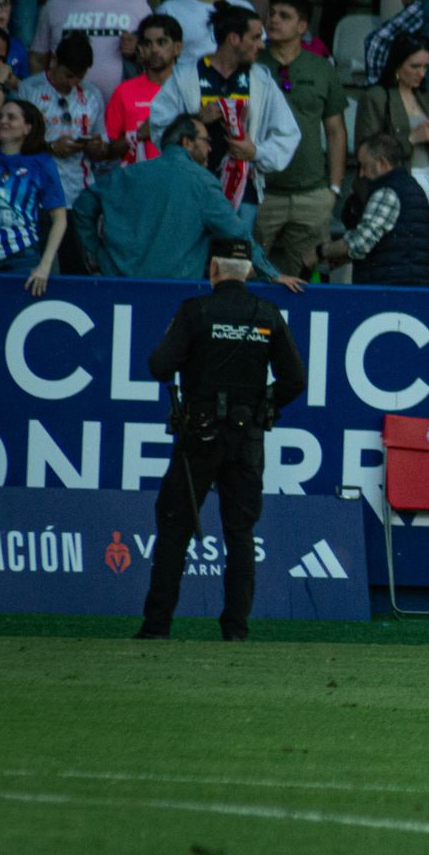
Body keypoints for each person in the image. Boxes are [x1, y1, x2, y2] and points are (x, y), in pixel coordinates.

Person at [133, 236, 305, 642]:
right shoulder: (267, 314)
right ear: (249, 271)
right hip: (247, 440)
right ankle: (236, 630)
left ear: (212, 269)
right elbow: (295, 379)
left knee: (174, 528)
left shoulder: (195, 311)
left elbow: (160, 366)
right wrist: (262, 406)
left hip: (200, 434)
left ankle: (157, 627)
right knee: (240, 534)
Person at [72, 113, 284, 281]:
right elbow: (237, 233)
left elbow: (82, 207)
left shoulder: (127, 174)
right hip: (175, 295)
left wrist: (95, 258)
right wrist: (272, 274)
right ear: (187, 142)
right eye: (206, 141)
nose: (210, 148)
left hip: (118, 287)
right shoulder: (202, 182)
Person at [145, 2, 301, 226]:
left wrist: (255, 151)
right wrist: (197, 119)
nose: (262, 45)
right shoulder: (186, 76)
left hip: (244, 194)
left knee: (236, 249)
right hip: (191, 189)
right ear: (234, 39)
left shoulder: (261, 81)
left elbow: (288, 133)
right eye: (255, 38)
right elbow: (158, 128)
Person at [252, 0, 345, 278]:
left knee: (307, 279)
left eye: (284, 16)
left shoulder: (321, 69)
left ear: (302, 26)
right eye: (272, 13)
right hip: (260, 191)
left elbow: (336, 130)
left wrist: (334, 189)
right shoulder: (253, 65)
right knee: (248, 273)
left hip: (311, 194)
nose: (273, 20)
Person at [33, 0, 149, 111]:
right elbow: (38, 58)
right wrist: (43, 100)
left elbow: (157, 59)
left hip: (121, 112)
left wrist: (138, 49)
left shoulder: (137, 4)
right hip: (64, 112)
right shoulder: (55, 3)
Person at [354, 33, 429, 246]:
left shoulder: (428, 99)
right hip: (397, 189)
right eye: (414, 66)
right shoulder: (376, 97)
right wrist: (411, 138)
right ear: (397, 64)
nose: (421, 73)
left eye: (426, 67)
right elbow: (366, 152)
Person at [307, 134, 429, 286]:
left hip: (388, 289)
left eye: (364, 166)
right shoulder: (410, 186)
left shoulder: (387, 192)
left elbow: (360, 243)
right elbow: (392, 244)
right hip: (413, 287)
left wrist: (321, 252)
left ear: (382, 163)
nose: (361, 173)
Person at [20, 33, 105, 221]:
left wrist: (97, 147)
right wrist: (51, 147)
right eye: (68, 75)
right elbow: (16, 141)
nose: (73, 83)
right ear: (54, 60)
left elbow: (103, 144)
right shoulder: (29, 89)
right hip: (38, 192)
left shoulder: (92, 94)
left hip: (80, 193)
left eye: (79, 77)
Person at [0, 98, 67, 294]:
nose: (3, 121)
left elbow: (59, 219)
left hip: (22, 257)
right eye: (0, 116)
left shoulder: (41, 164)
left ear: (27, 128)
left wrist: (45, 266)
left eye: (11, 117)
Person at [102, 14, 181, 166]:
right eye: (148, 44)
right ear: (141, 49)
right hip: (136, 178)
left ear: (178, 48)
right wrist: (138, 134)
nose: (155, 49)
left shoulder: (190, 90)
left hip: (180, 177)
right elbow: (107, 150)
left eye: (161, 42)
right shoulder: (124, 92)